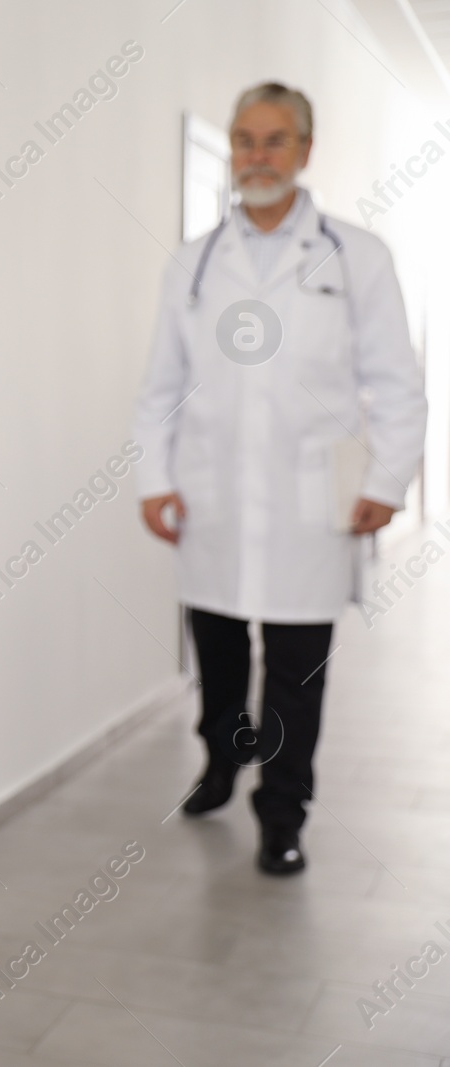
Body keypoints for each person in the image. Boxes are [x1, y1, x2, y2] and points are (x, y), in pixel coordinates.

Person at [132, 82, 426, 875]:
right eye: (243, 140)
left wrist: (389, 480)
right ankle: (222, 763)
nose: (255, 156)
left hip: (313, 506)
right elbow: (161, 384)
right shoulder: (193, 264)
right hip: (212, 498)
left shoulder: (356, 256)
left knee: (297, 675)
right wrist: (155, 476)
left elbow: (397, 382)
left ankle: (282, 808)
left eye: (273, 140)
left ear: (304, 151)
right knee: (221, 661)